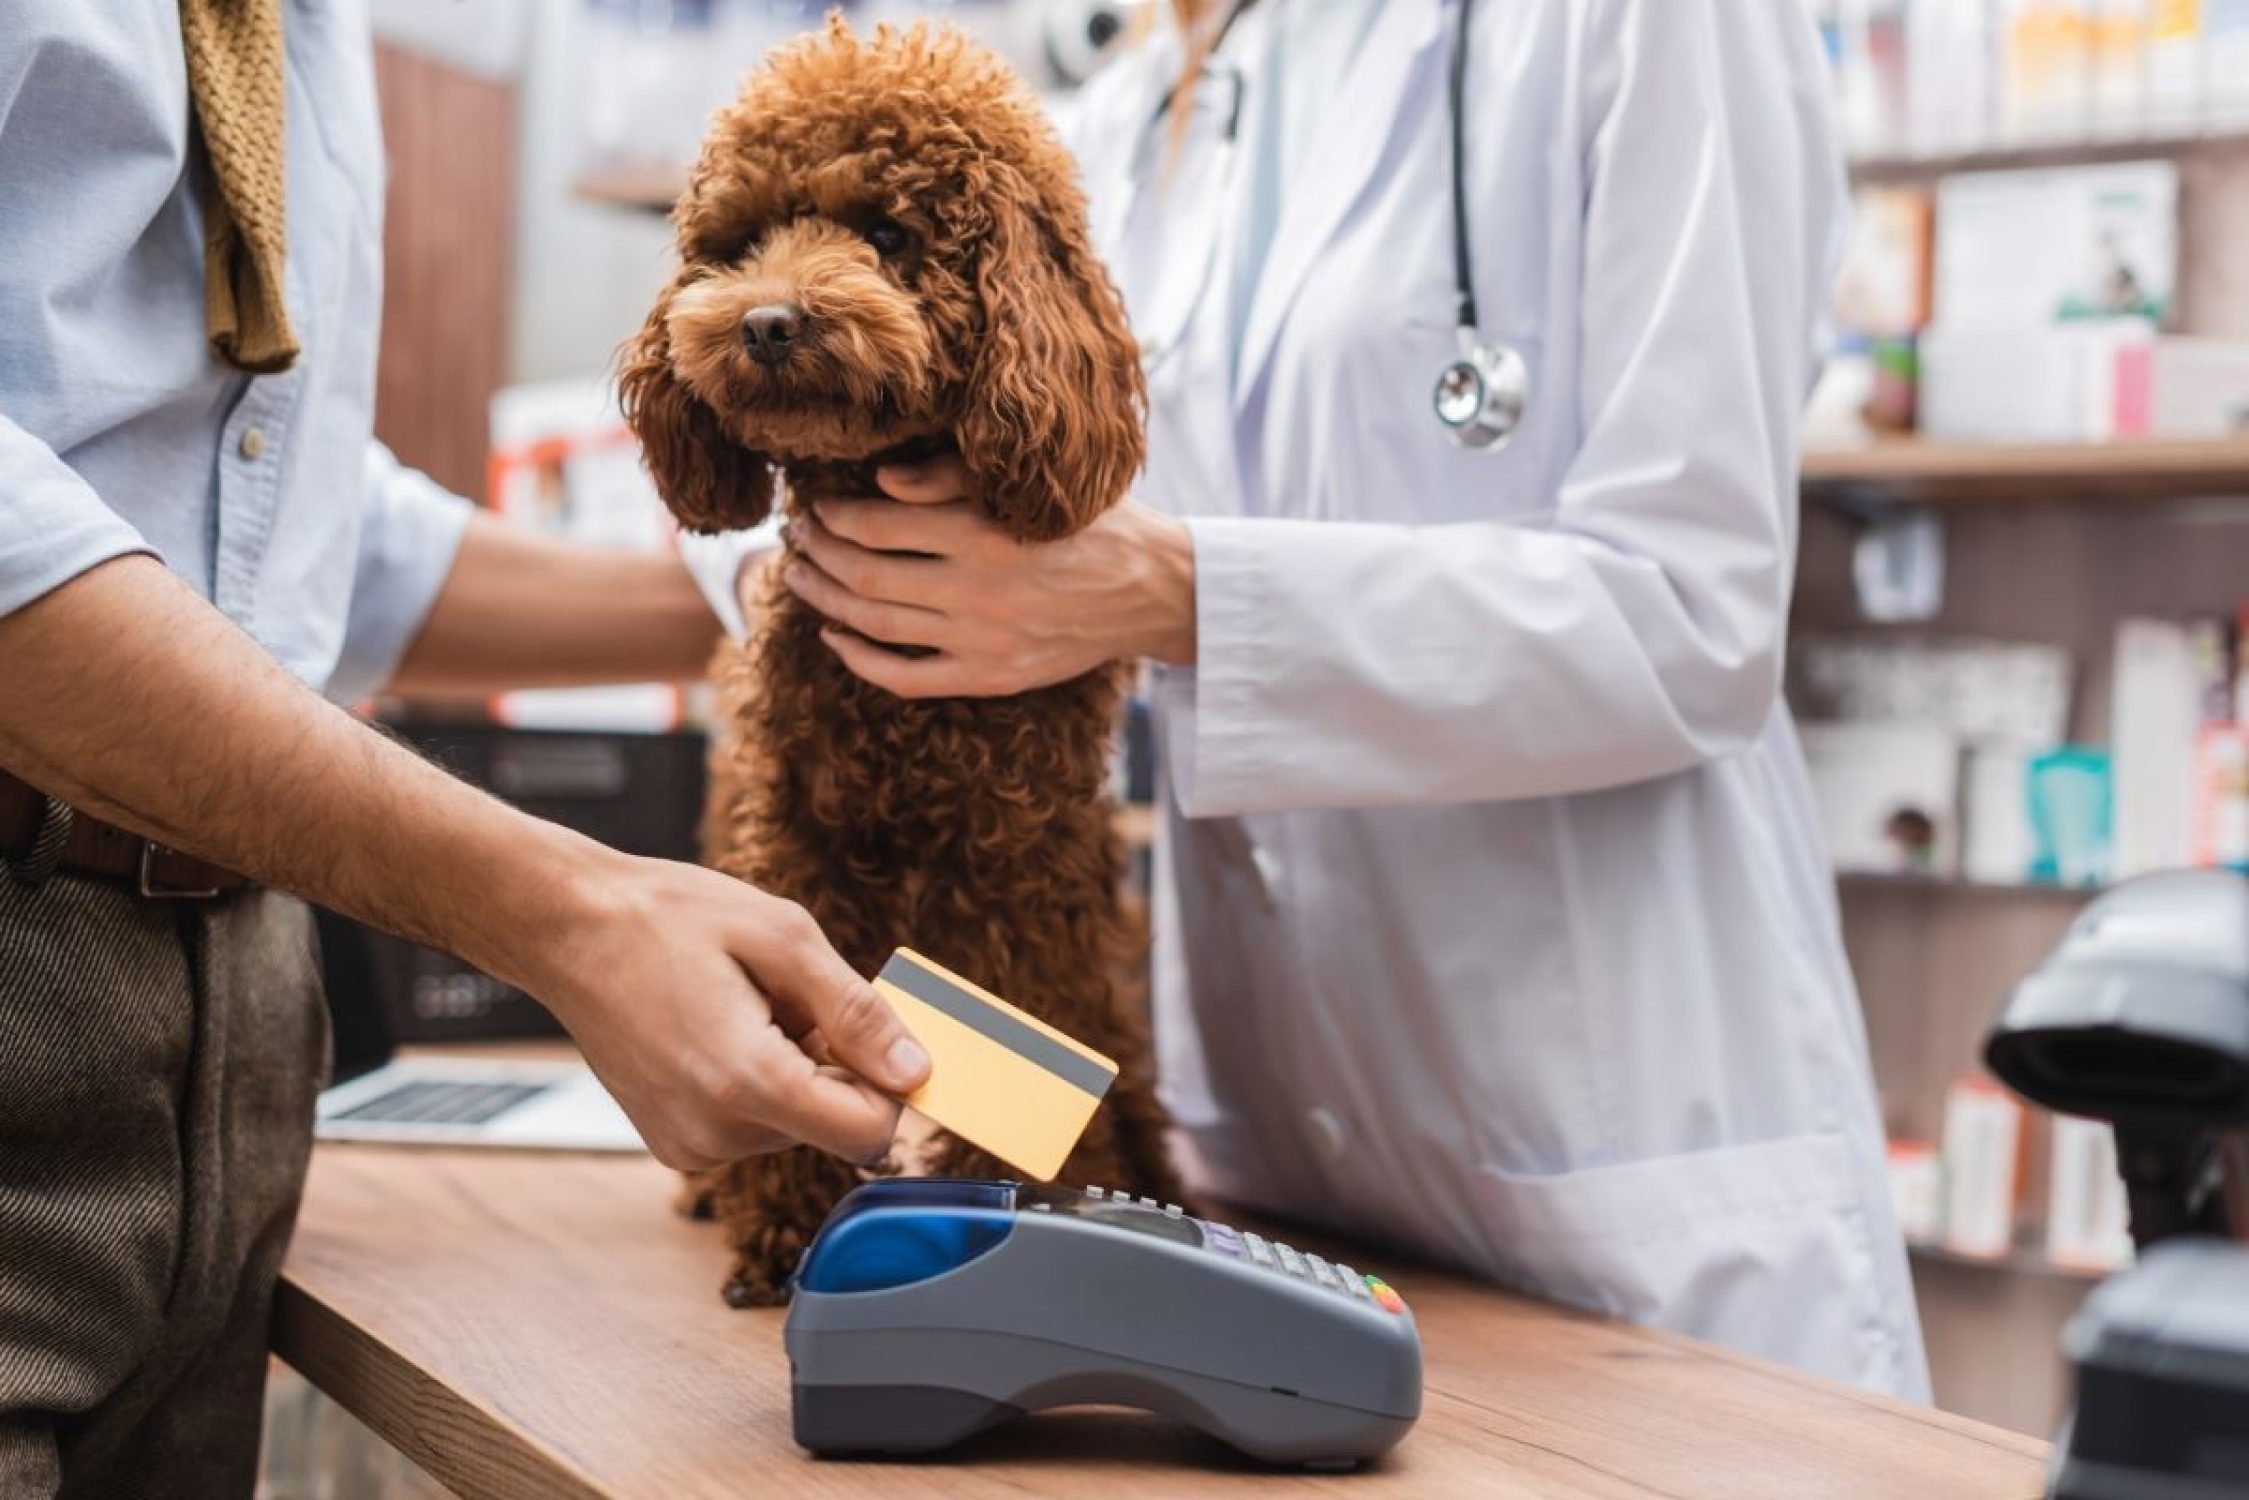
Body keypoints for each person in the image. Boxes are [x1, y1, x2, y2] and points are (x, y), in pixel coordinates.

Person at [779, 0, 1931, 1397]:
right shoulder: (1124, 111)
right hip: (1267, 1178)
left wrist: (1180, 595)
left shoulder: (1634, 27)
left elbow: (1693, 613)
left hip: (1615, 1192)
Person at [0, 8, 928, 1494]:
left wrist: (810, 593)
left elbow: (281, 530)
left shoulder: (305, 31)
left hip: (242, 1009)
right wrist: (565, 907)